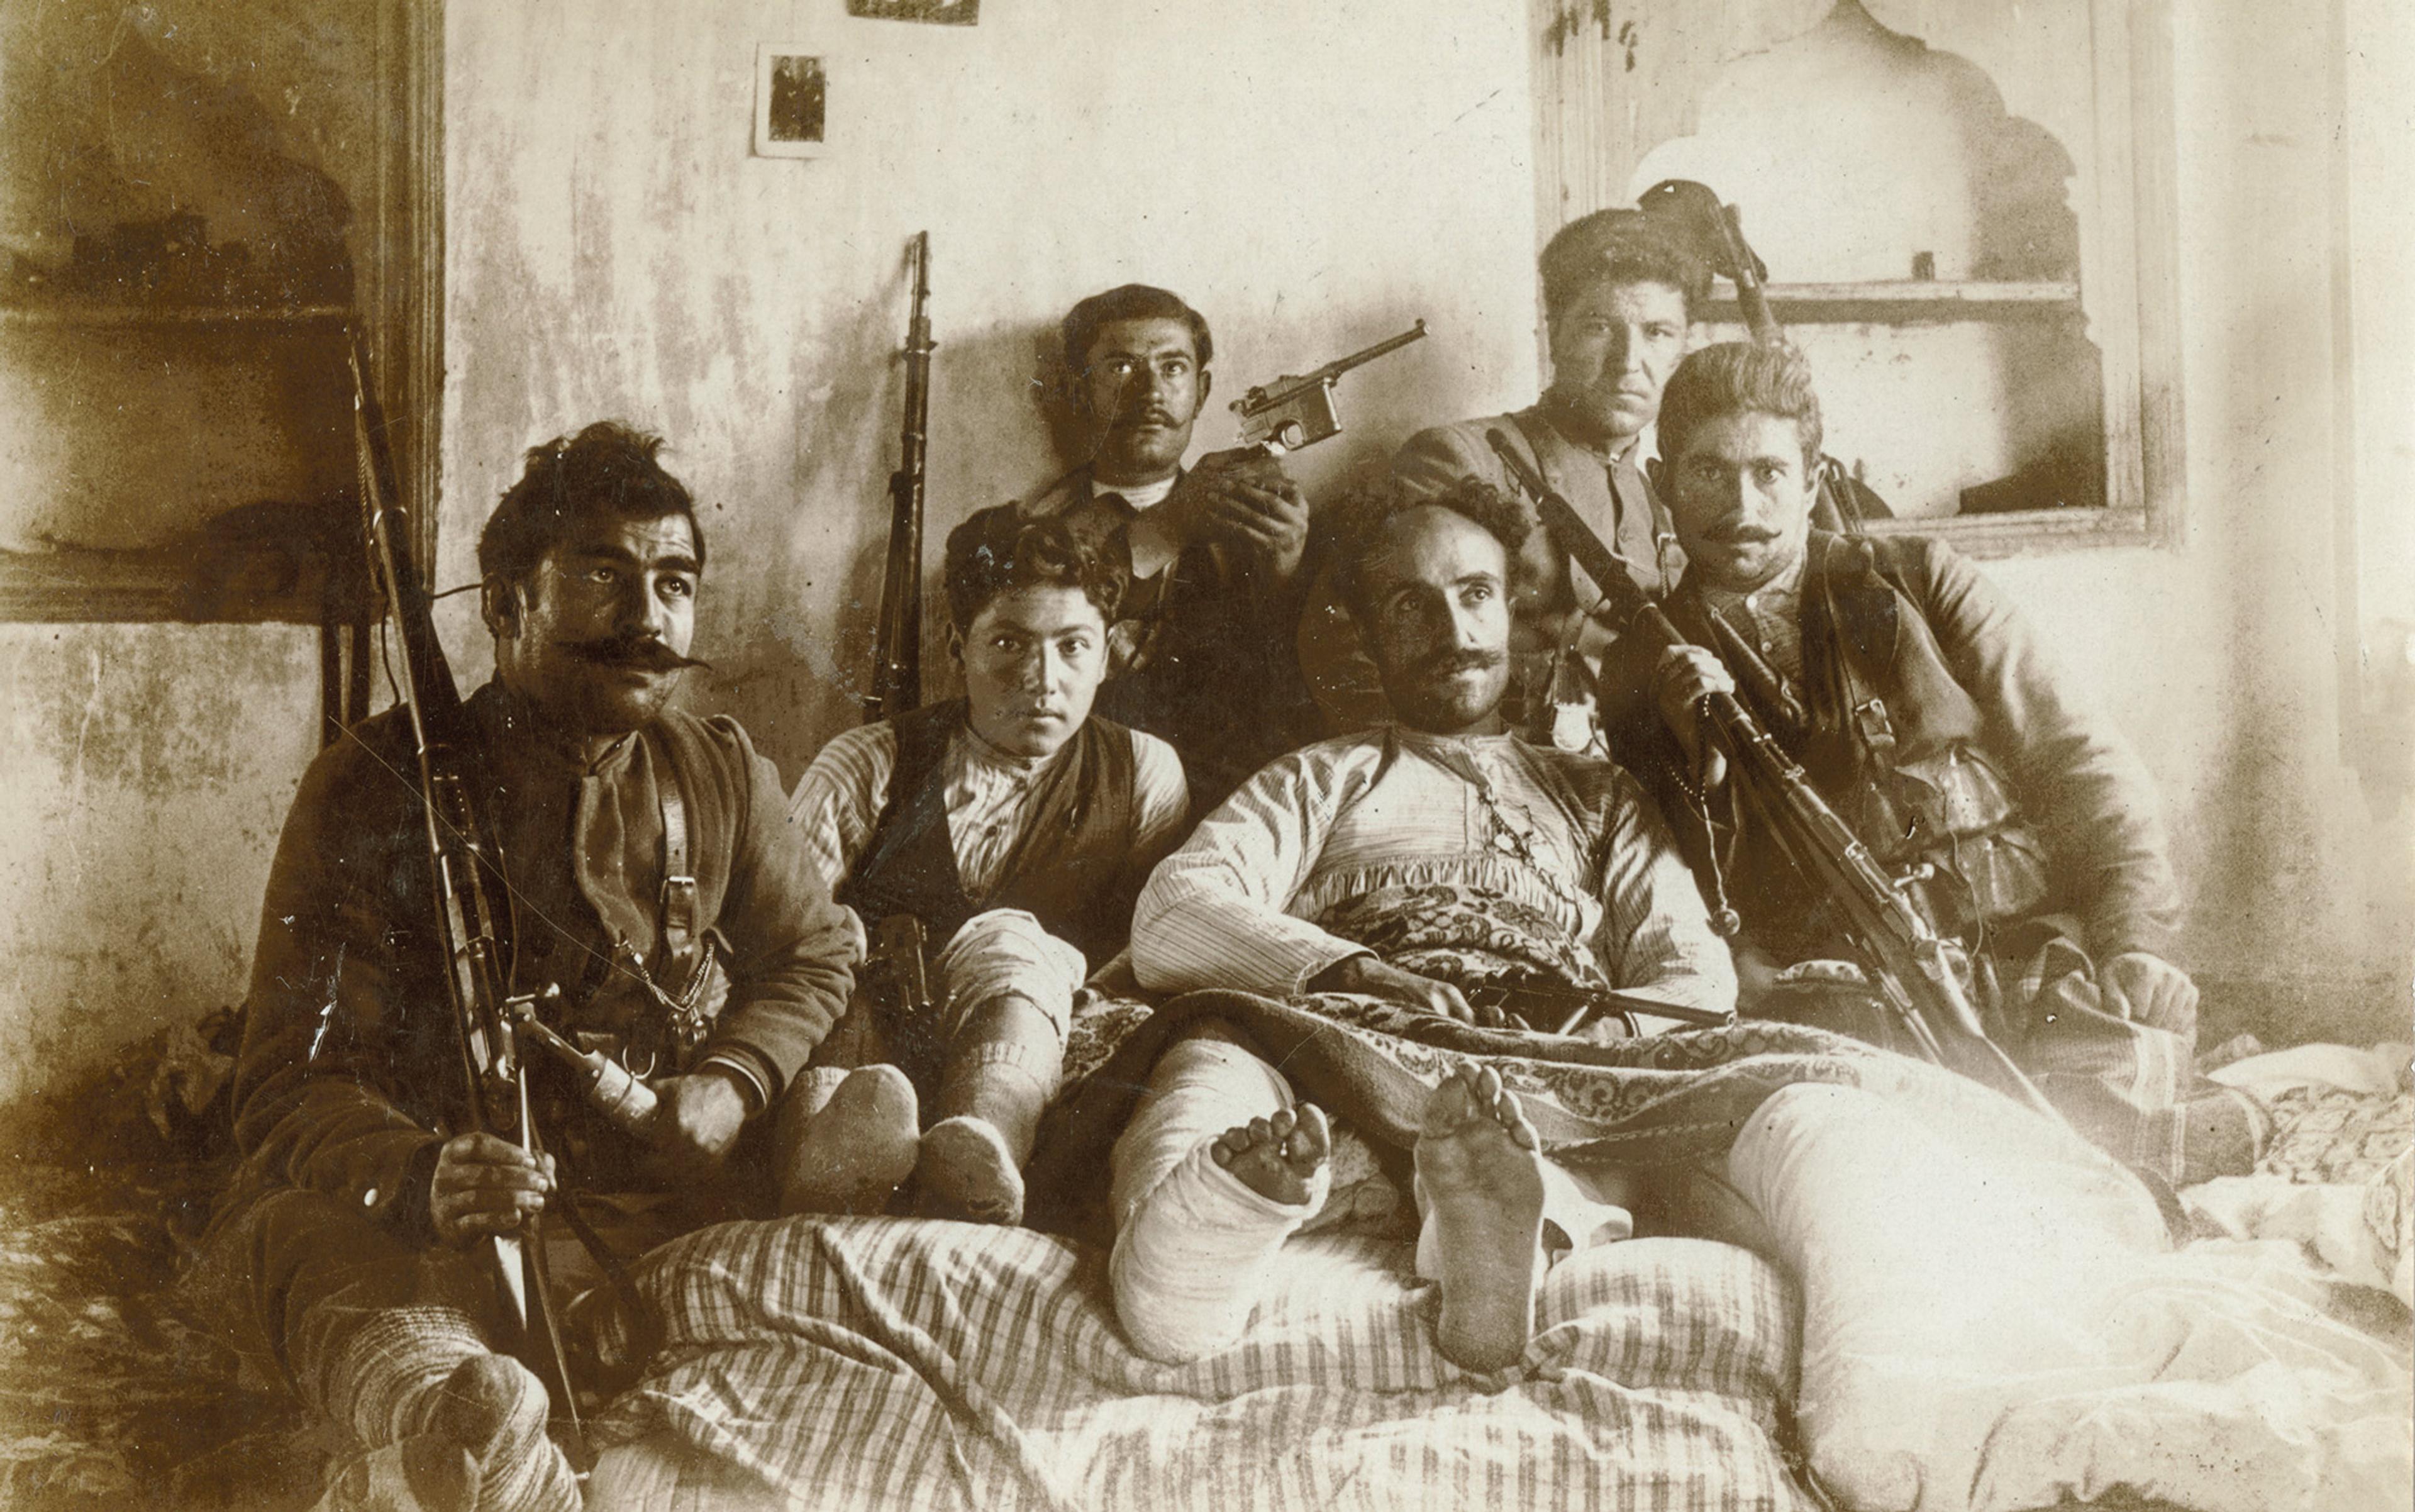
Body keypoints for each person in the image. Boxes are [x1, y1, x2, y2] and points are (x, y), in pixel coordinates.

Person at [196, 423, 858, 1511]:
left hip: (657, 1200)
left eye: (676, 582)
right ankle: (451, 1430)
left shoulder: (719, 766)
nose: (651, 620)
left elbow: (820, 952)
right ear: (505, 605)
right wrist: (421, 1170)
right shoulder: (367, 788)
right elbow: (285, 1078)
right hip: (432, 1222)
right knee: (311, 1251)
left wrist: (735, 1081)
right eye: (604, 576)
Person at [1102, 474, 1736, 1371]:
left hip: (1533, 1062)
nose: (1453, 631)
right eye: (1412, 606)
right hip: (1341, 1047)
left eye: (1476, 594)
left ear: (1512, 609)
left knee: (1541, 1133)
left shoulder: (1598, 793)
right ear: (1365, 635)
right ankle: (1189, 1254)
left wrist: (1601, 1030)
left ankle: (1491, 1248)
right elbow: (1171, 913)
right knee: (1210, 1063)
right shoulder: (1322, 777)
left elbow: (1695, 975)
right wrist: (1359, 972)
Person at [1605, 342, 2217, 1180]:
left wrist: (2135, 941)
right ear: (1662, 482)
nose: (1741, 504)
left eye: (1770, 473)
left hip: (2037, 955)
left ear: (1813, 481)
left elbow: (2081, 764)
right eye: (1709, 473)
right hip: (1851, 1002)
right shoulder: (1641, 667)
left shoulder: (1919, 579)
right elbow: (1666, 881)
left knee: (2122, 1120)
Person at [783, 504, 1190, 1226]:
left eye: (1072, 646)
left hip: (1038, 1067)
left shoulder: (1142, 774)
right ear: (956, 645)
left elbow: (1148, 957)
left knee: (1015, 944)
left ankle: (979, 1151)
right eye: (1008, 642)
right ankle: (821, 1165)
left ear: (1108, 654)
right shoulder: (867, 765)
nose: (1042, 678)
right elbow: (783, 946)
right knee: (833, 966)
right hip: (871, 1061)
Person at [1300, 211, 1709, 750]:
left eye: (1658, 333)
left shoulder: (1664, 498)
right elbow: (1344, 643)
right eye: (1599, 327)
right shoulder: (1463, 458)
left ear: (1681, 348)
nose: (1628, 362)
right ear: (1553, 332)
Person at [1023, 282, 1321, 807]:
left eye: (1173, 368)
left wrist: (1286, 573)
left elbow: (1291, 707)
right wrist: (1172, 526)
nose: (1150, 393)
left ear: (1202, 392)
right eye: (1120, 367)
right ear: (1078, 391)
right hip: (1079, 804)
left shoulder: (1254, 518)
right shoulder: (1033, 530)